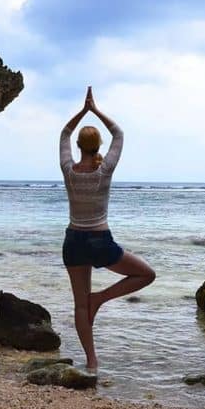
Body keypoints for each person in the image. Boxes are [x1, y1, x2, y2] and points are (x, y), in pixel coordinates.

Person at [59, 87, 155, 370]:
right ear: (99, 146)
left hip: (74, 241)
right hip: (100, 241)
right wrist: (96, 110)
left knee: (79, 304)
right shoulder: (105, 170)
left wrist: (83, 111)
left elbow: (64, 133)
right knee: (146, 274)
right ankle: (101, 298)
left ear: (78, 145)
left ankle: (91, 362)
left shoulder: (68, 169)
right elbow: (120, 134)